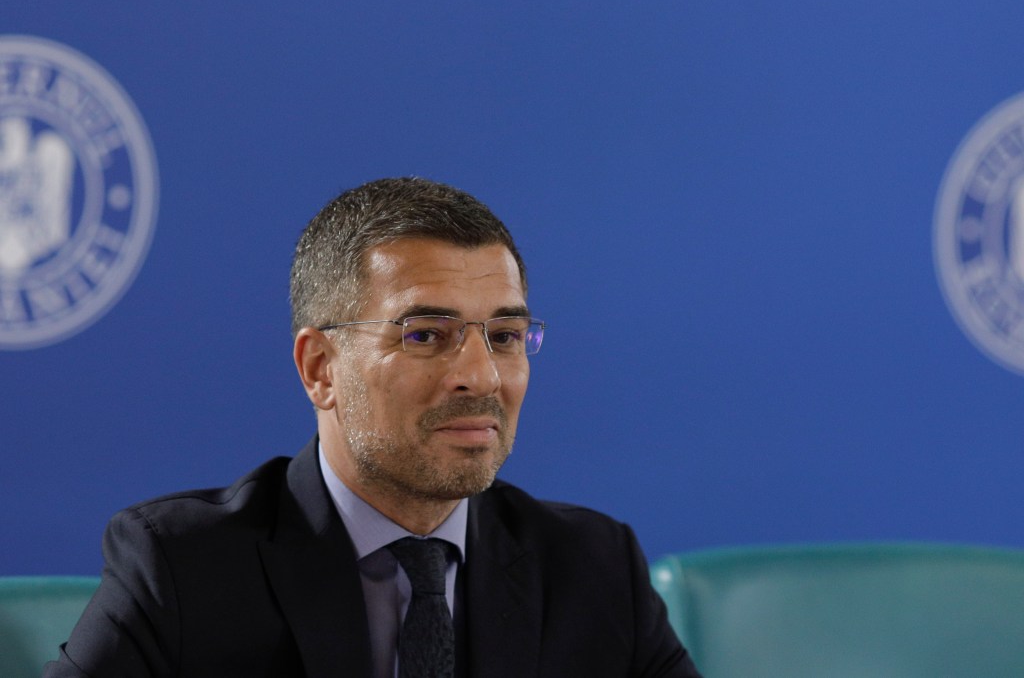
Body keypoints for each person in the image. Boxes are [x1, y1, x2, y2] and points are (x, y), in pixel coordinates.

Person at [45, 177, 701, 677]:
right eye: (426, 334)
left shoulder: (593, 566)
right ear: (320, 368)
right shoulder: (183, 568)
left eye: (504, 335)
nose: (482, 376)